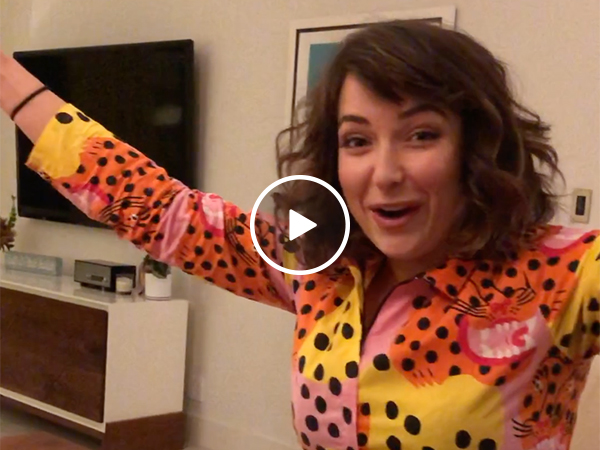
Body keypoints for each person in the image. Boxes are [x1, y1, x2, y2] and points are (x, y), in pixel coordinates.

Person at [1, 19, 598, 450]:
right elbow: (162, 209)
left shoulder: (564, 275)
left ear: (478, 146)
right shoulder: (321, 266)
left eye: (421, 135)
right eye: (357, 141)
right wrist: (10, 81)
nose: (385, 173)